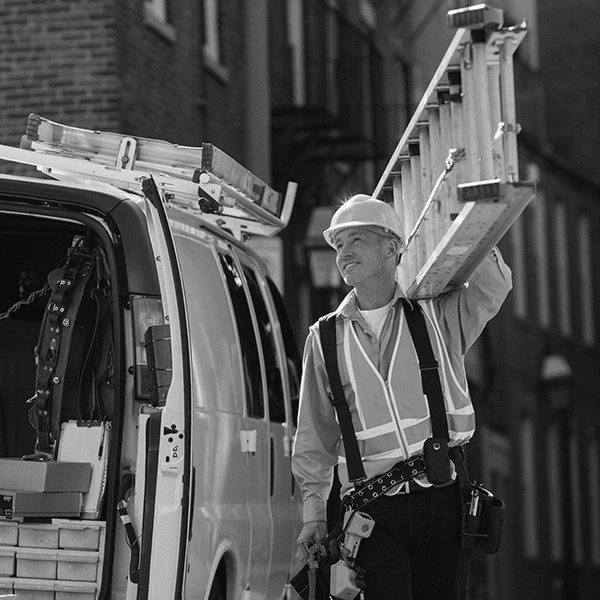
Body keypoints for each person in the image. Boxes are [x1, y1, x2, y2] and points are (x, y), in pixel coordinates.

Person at [291, 194, 512, 600]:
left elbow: (494, 286)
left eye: (355, 239)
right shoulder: (323, 339)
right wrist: (314, 515)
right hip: (373, 513)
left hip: (444, 498)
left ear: (391, 247)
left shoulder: (437, 317)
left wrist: (460, 219)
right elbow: (313, 440)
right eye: (338, 245)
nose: (344, 252)